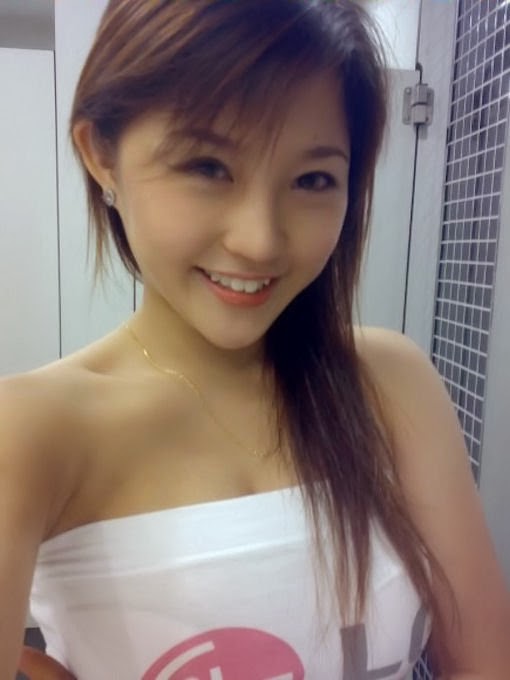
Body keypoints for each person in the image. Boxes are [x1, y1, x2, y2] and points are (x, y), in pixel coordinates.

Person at [3, 0, 510, 678]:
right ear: (102, 156)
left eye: (312, 180)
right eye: (207, 167)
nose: (261, 240)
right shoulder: (31, 431)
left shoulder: (390, 382)